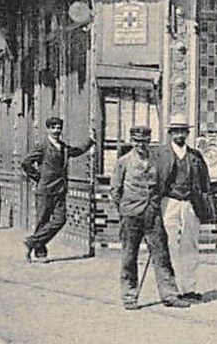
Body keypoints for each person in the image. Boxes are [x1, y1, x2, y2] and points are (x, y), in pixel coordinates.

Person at [109, 125, 186, 310]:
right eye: (137, 142)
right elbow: (115, 190)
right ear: (131, 142)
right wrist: (124, 209)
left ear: (149, 142)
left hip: (152, 215)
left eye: (144, 142)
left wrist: (154, 204)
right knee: (129, 256)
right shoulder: (123, 162)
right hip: (131, 215)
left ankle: (170, 295)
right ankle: (129, 296)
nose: (141, 145)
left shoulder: (157, 161)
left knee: (162, 255)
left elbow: (161, 185)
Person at [152, 118, 214, 300]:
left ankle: (189, 288)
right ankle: (172, 289)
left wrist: (206, 205)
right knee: (170, 244)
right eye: (176, 131)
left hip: (190, 204)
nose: (179, 134)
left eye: (183, 131)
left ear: (188, 133)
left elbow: (205, 183)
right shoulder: (161, 154)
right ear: (170, 133)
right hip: (169, 203)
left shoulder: (195, 156)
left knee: (190, 245)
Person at [21, 116, 93, 262]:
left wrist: (91, 141)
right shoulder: (42, 146)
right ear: (48, 129)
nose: (56, 130)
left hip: (60, 189)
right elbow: (26, 162)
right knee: (42, 221)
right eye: (53, 127)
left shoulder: (64, 147)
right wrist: (39, 177)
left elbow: (77, 151)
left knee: (60, 220)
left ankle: (32, 241)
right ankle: (40, 252)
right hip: (45, 189)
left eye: (59, 127)